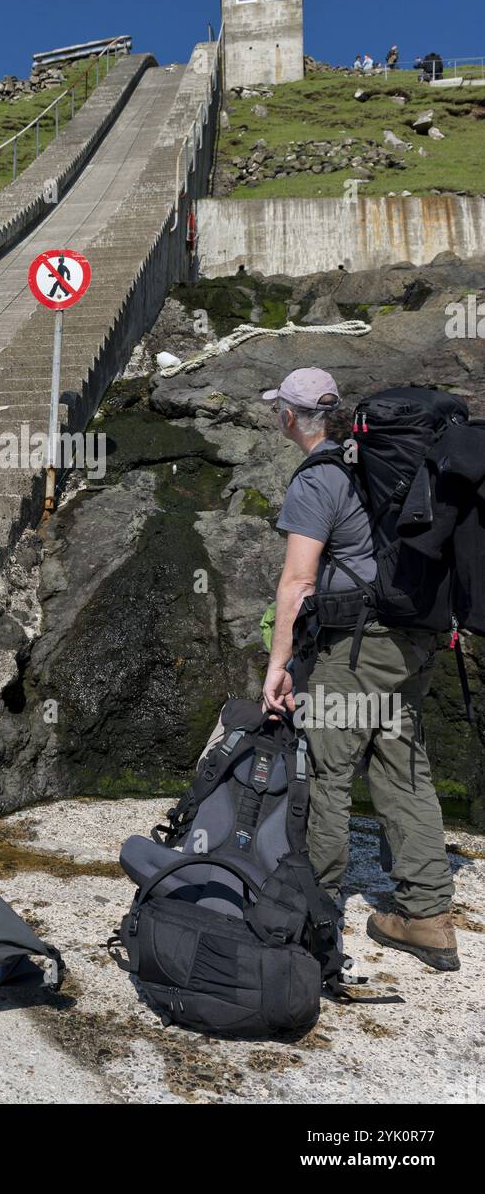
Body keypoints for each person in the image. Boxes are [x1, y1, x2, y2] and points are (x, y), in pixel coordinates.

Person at [260, 367, 458, 972]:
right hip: (414, 641)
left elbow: (297, 582)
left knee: (326, 769)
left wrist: (280, 663)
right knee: (401, 766)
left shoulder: (318, 479)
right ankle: (426, 915)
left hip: (356, 649)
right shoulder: (382, 465)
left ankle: (310, 913)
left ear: (290, 417)